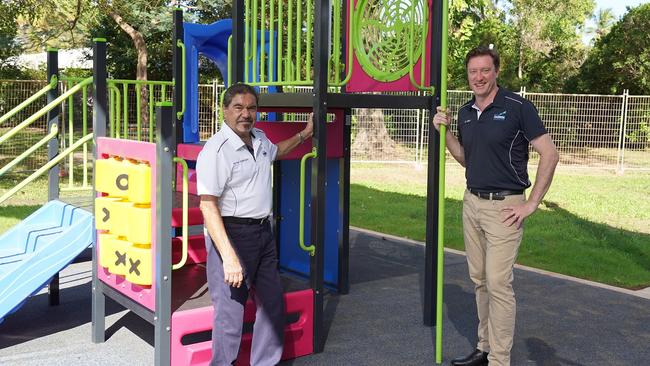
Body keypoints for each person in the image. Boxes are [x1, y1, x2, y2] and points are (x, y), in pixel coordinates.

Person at [433, 46, 559, 366]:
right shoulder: (464, 112)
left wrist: (531, 204)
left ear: (496, 71)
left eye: (485, 70)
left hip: (506, 207)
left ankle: (499, 361)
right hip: (472, 203)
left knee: (498, 283)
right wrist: (444, 133)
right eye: (473, 72)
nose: (479, 77)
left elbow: (550, 153)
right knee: (479, 280)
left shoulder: (518, 107)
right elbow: (465, 158)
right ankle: (484, 347)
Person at [196, 83, 313, 366]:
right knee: (230, 315)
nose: (245, 114)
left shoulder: (259, 138)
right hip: (233, 235)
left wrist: (305, 134)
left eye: (251, 108)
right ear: (224, 110)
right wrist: (229, 258)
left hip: (263, 232)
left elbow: (276, 152)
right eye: (238, 107)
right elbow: (208, 206)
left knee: (273, 305)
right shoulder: (216, 150)